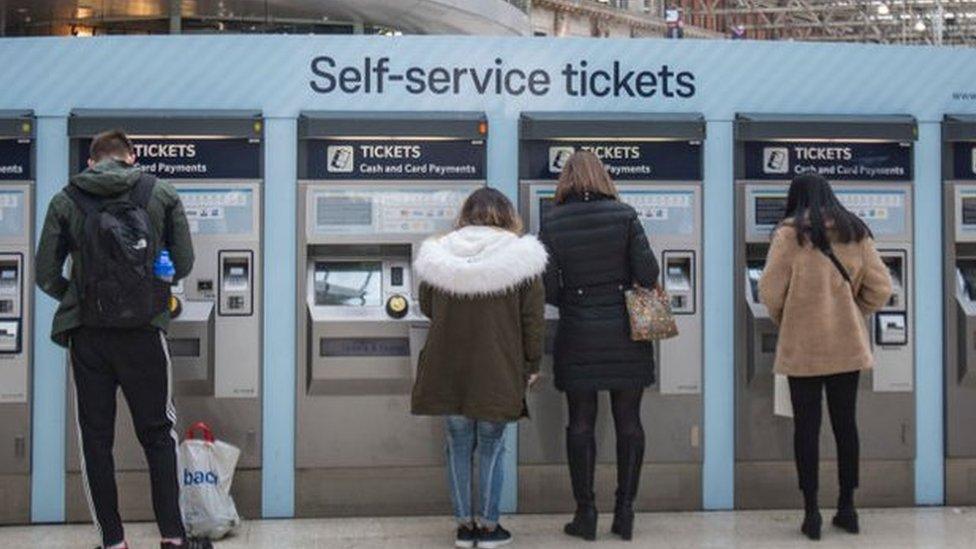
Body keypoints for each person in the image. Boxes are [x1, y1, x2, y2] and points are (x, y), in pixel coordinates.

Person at [35, 130, 207, 549]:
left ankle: (113, 542)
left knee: (96, 439)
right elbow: (182, 263)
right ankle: (172, 537)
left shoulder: (65, 199)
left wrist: (78, 298)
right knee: (158, 434)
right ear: (132, 156)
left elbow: (44, 274)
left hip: (89, 337)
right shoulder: (161, 192)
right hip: (145, 331)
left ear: (92, 161)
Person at [759, 173, 892, 541]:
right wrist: (853, 313)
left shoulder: (789, 234)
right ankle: (848, 507)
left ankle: (811, 513)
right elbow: (882, 288)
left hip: (802, 349)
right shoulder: (855, 231)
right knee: (845, 425)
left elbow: (769, 290)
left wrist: (787, 318)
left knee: (806, 429)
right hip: (846, 348)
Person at [411, 188, 546, 549]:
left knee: (457, 443)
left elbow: (428, 306)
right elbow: (532, 320)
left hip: (448, 366)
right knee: (491, 444)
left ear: (465, 215)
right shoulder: (523, 257)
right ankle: (488, 527)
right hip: (498, 367)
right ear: (507, 214)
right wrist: (532, 363)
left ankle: (463, 525)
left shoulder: (440, 253)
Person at [539, 150, 659, 542]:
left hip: (578, 331)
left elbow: (548, 288)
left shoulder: (553, 221)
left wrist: (578, 300)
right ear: (603, 176)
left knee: (580, 422)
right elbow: (647, 272)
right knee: (630, 422)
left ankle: (585, 513)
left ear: (566, 178)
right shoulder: (624, 215)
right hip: (626, 331)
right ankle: (624, 512)